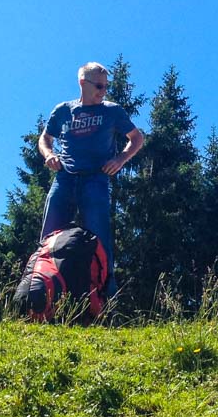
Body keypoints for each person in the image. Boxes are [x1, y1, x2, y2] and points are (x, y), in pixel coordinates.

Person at [38, 62, 145, 296]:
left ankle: (106, 299)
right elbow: (45, 138)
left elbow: (137, 138)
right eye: (98, 86)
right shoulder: (63, 110)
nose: (103, 91)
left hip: (96, 180)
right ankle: (40, 295)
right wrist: (49, 155)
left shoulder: (112, 111)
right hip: (64, 178)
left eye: (106, 86)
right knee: (48, 238)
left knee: (100, 240)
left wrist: (120, 159)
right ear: (82, 83)